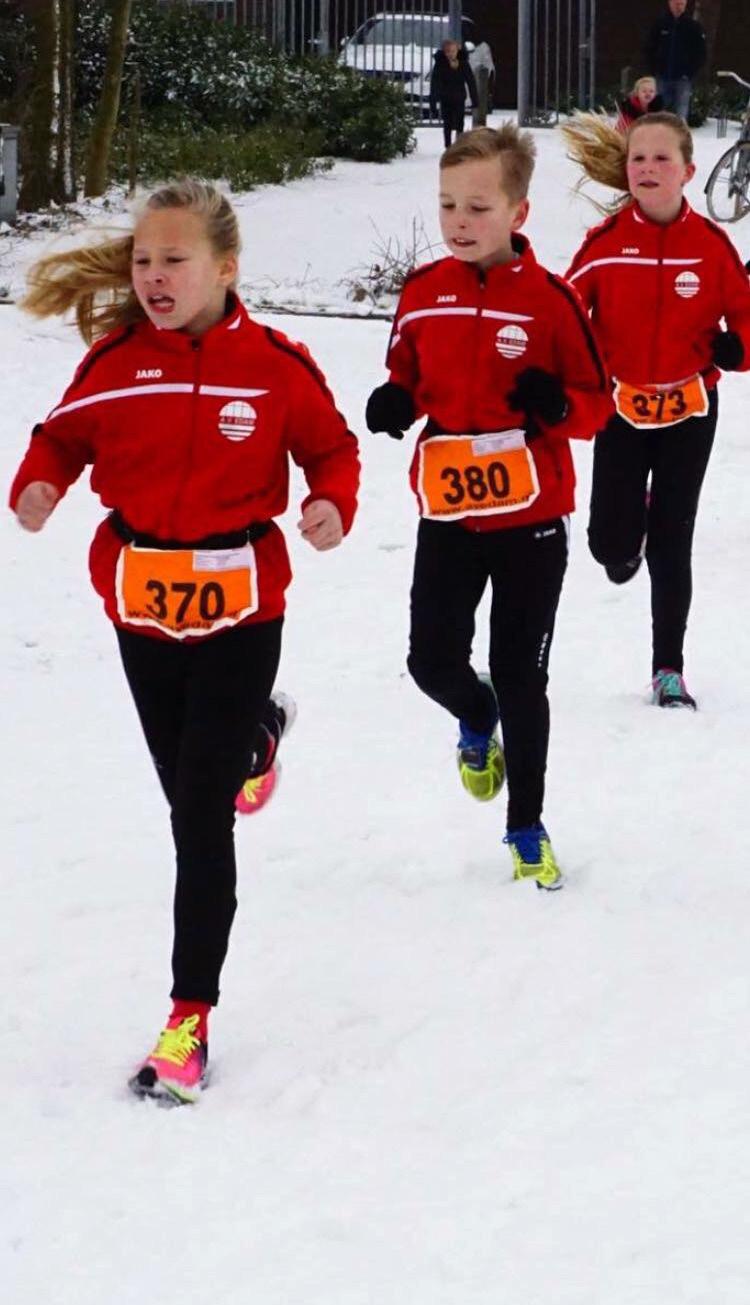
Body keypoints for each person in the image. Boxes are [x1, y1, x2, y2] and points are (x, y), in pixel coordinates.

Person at [9, 178, 360, 1104]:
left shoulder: (277, 365)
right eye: (144, 261)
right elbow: (60, 439)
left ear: (226, 268)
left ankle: (188, 1019)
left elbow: (332, 448)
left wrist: (330, 503)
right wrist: (37, 486)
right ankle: (258, 739)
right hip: (143, 607)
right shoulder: (117, 360)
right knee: (189, 785)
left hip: (244, 605)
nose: (154, 278)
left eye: (175, 261)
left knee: (198, 815)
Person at [365, 125, 612, 890]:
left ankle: (527, 825)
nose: (460, 220)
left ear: (518, 211)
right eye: (447, 205)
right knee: (429, 660)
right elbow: (406, 365)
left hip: (532, 520)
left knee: (520, 675)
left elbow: (598, 406)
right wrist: (396, 397)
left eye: (478, 205)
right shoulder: (422, 291)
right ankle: (476, 722)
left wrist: (554, 407)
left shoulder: (552, 300)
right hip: (448, 512)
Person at [563, 111, 750, 709]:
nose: (647, 168)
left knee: (675, 541)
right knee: (608, 549)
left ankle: (668, 668)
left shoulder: (713, 249)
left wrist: (737, 349)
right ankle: (626, 537)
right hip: (620, 409)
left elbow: (745, 322)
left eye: (661, 158)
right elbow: (566, 319)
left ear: (689, 172)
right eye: (637, 158)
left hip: (691, 411)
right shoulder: (605, 246)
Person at [645, 0, 706, 121]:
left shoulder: (693, 26)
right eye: (677, 4)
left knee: (681, 114)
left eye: (682, 4)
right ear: (670, 3)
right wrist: (654, 70)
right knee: (659, 114)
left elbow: (701, 52)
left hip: (683, 79)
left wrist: (689, 73)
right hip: (661, 77)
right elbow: (649, 48)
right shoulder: (660, 24)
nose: (679, 7)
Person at [429, 38, 478, 149]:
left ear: (457, 50)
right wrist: (433, 101)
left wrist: (475, 99)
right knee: (447, 123)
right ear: (444, 52)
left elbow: (470, 81)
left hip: (459, 97)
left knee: (460, 121)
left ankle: (459, 145)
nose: (451, 54)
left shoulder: (464, 63)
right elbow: (435, 83)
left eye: (453, 51)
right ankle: (448, 145)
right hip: (445, 98)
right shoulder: (440, 64)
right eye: (448, 52)